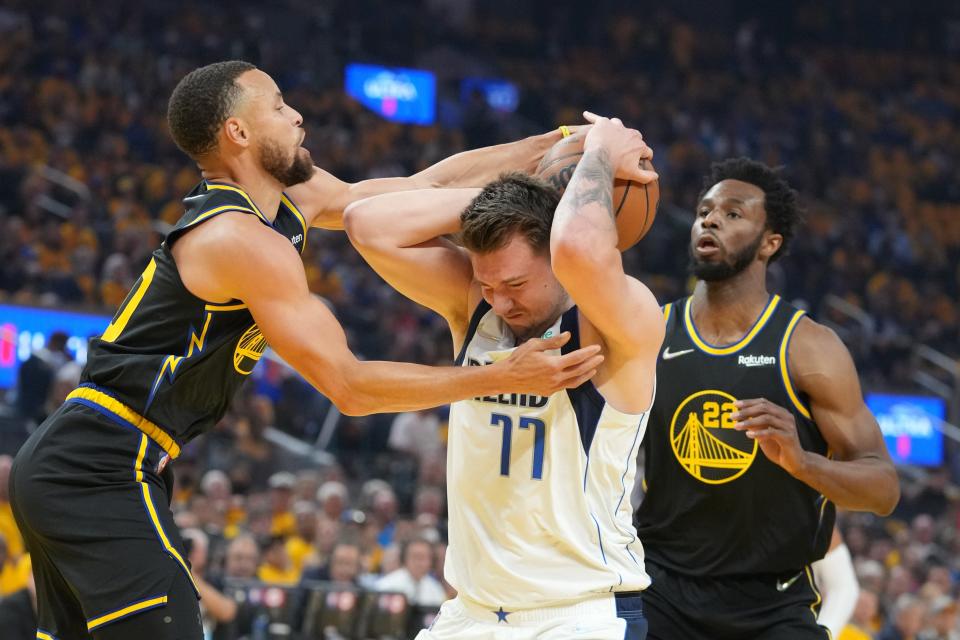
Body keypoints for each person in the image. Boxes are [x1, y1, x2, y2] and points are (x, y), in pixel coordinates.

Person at [9, 60, 602, 640]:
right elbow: (350, 386)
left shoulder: (291, 199)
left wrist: (551, 147)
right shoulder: (238, 239)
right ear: (238, 133)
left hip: (101, 461)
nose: (297, 116)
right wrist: (500, 374)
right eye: (276, 106)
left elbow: (418, 192)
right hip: (96, 463)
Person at [346, 113, 662, 639]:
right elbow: (366, 223)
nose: (500, 300)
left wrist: (599, 152)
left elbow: (582, 250)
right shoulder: (478, 309)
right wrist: (522, 195)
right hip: (470, 613)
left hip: (578, 615)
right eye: (487, 284)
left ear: (554, 256)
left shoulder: (613, 325)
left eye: (515, 283)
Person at [632, 157, 900, 640]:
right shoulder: (651, 331)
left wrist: (803, 463)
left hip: (772, 602)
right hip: (660, 591)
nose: (710, 220)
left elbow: (883, 489)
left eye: (733, 214)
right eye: (704, 211)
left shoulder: (809, 347)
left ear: (770, 243)